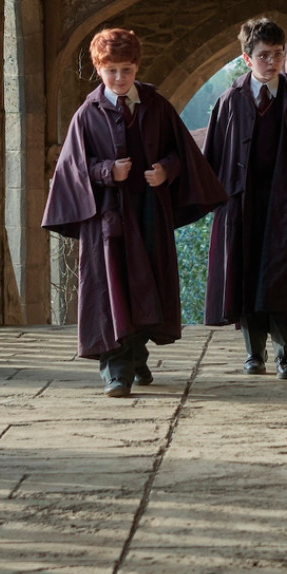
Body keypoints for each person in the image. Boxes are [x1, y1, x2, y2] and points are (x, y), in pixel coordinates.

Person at [43, 27, 226, 397]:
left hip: (148, 214)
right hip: (107, 220)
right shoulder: (87, 114)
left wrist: (166, 171)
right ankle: (116, 370)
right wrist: (107, 171)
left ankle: (137, 355)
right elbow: (72, 168)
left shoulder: (157, 106)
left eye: (126, 69)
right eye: (111, 70)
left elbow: (182, 153)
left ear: (136, 66)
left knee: (146, 287)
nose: (119, 77)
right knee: (110, 290)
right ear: (99, 69)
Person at [202, 17, 287, 378]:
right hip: (242, 204)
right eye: (263, 55)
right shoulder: (230, 101)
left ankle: (286, 356)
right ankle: (254, 354)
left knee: (284, 279)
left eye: (278, 54)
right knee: (247, 277)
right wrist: (215, 203)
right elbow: (214, 156)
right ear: (247, 58)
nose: (272, 61)